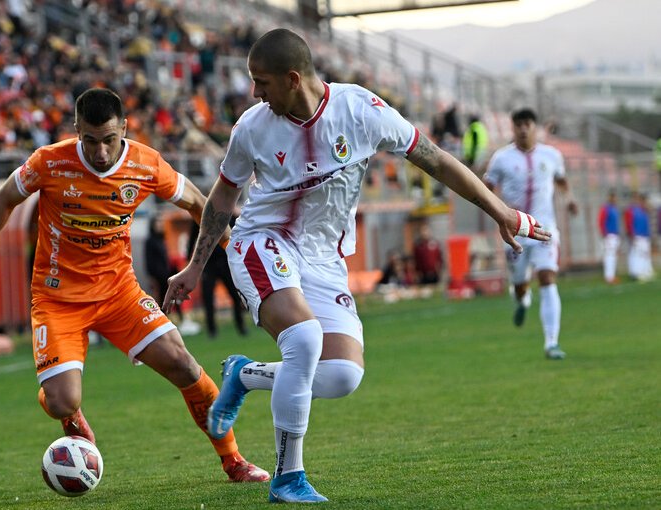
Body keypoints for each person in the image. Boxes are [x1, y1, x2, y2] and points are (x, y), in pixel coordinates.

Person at [164, 28, 550, 503]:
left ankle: (244, 375)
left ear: (292, 79)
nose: (254, 93)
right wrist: (196, 267)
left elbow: (435, 159)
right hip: (262, 242)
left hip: (325, 258)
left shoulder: (361, 111)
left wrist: (502, 212)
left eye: (261, 82)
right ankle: (289, 478)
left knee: (342, 376)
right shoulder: (251, 127)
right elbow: (224, 196)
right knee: (303, 340)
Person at [0, 88, 268, 483]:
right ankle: (69, 414)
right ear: (76, 131)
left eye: (109, 140)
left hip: (119, 293)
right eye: (90, 140)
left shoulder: (145, 163)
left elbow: (195, 201)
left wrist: (229, 246)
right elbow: (3, 200)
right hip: (58, 299)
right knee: (60, 400)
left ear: (124, 128)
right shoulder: (49, 162)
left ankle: (234, 461)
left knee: (185, 365)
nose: (101, 152)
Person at [484, 107, 577, 360]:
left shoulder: (552, 155)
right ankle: (522, 300)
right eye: (518, 125)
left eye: (527, 124)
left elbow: (561, 180)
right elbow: (486, 187)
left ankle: (551, 342)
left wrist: (569, 199)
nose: (523, 129)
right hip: (515, 232)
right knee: (520, 285)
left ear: (535, 127)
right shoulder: (501, 158)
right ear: (512, 128)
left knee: (547, 277)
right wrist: (497, 211)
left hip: (544, 229)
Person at [187, 221, 248, 339]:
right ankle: (212, 330)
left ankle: (241, 325)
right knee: (208, 298)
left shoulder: (227, 214)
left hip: (226, 262)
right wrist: (191, 264)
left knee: (236, 295)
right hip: (208, 264)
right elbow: (192, 239)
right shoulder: (200, 218)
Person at [624, 192, 655, 282]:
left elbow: (650, 209)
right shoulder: (631, 210)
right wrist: (631, 234)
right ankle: (636, 273)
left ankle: (644, 271)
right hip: (637, 235)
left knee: (644, 254)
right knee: (637, 254)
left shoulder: (643, 210)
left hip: (645, 235)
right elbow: (629, 223)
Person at [597, 190, 621, 284]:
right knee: (609, 256)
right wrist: (604, 233)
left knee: (613, 256)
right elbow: (601, 221)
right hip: (609, 235)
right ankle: (609, 276)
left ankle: (612, 275)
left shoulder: (614, 208)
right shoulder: (606, 208)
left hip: (615, 234)